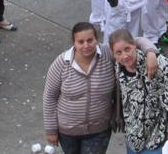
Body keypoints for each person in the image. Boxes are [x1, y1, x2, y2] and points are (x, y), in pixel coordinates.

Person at [42, 22, 116, 153]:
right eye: (80, 42)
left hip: (99, 130)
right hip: (67, 132)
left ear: (96, 39)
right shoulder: (61, 63)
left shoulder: (107, 54)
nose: (86, 45)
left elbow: (133, 43)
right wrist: (51, 130)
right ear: (73, 43)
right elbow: (49, 97)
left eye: (90, 40)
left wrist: (151, 52)